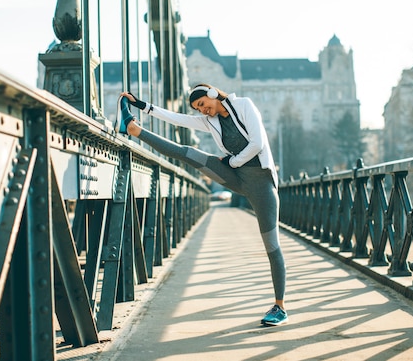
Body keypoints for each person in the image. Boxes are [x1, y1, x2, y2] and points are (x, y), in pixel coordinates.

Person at [115, 84, 288, 326]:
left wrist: (232, 161)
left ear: (213, 93)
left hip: (260, 183)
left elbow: (257, 144)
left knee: (272, 246)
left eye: (203, 104)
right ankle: (133, 128)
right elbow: (178, 120)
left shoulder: (245, 105)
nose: (204, 111)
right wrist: (144, 106)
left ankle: (279, 307)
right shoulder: (211, 121)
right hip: (234, 176)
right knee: (188, 154)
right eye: (199, 109)